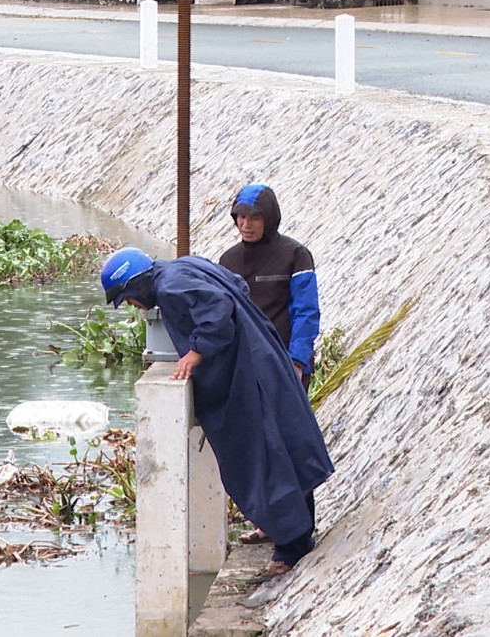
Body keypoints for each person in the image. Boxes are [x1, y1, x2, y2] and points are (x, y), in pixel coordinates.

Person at [100, 247, 334, 579]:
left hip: (246, 376)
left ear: (135, 284)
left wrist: (196, 352)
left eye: (128, 298)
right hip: (260, 358)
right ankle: (283, 530)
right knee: (283, 447)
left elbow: (218, 307)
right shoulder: (182, 268)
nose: (134, 307)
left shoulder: (169, 286)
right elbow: (236, 285)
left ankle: (290, 549)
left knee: (262, 460)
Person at [218, 184, 320, 385]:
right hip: (245, 365)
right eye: (242, 217)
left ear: (269, 219)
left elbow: (307, 311)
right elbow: (223, 314)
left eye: (255, 217)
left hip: (286, 364)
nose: (246, 224)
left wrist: (297, 362)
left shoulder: (296, 255)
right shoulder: (228, 260)